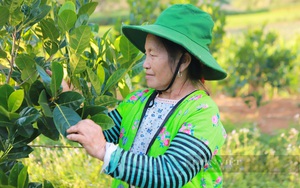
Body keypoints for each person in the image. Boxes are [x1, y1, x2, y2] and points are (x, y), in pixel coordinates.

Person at [66, 4, 227, 188]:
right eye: (146, 54)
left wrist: (105, 151)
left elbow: (171, 173)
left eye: (153, 55)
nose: (145, 64)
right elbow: (95, 133)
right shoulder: (138, 100)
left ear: (183, 61)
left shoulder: (203, 112)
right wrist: (63, 97)